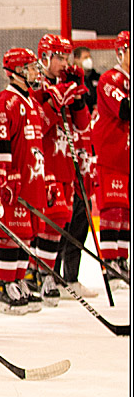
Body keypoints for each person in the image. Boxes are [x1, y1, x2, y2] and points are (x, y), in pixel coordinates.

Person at [30, 34, 94, 300]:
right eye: (59, 57)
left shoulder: (67, 82)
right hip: (44, 164)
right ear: (45, 57)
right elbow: (36, 125)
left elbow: (82, 124)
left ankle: (51, 276)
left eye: (66, 57)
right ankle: (38, 275)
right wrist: (54, 102)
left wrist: (77, 98)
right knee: (47, 223)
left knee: (63, 220)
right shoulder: (35, 83)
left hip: (66, 163)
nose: (64, 62)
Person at [0, 48, 54, 313]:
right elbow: (1, 140)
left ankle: (20, 281)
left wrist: (48, 177)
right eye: (29, 67)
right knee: (11, 235)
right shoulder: (7, 100)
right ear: (15, 70)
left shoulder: (31, 101)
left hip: (33, 178)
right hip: (17, 180)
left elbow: (40, 144)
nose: (35, 72)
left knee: (26, 235)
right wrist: (7, 174)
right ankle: (6, 287)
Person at [90, 30, 130, 286]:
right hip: (111, 155)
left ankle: (122, 260)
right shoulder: (110, 78)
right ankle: (110, 262)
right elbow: (124, 109)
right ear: (121, 52)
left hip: (126, 158)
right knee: (113, 209)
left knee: (126, 212)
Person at [73, 46, 100, 113]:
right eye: (85, 57)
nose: (88, 60)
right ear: (76, 59)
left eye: (89, 57)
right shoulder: (73, 78)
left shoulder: (96, 77)